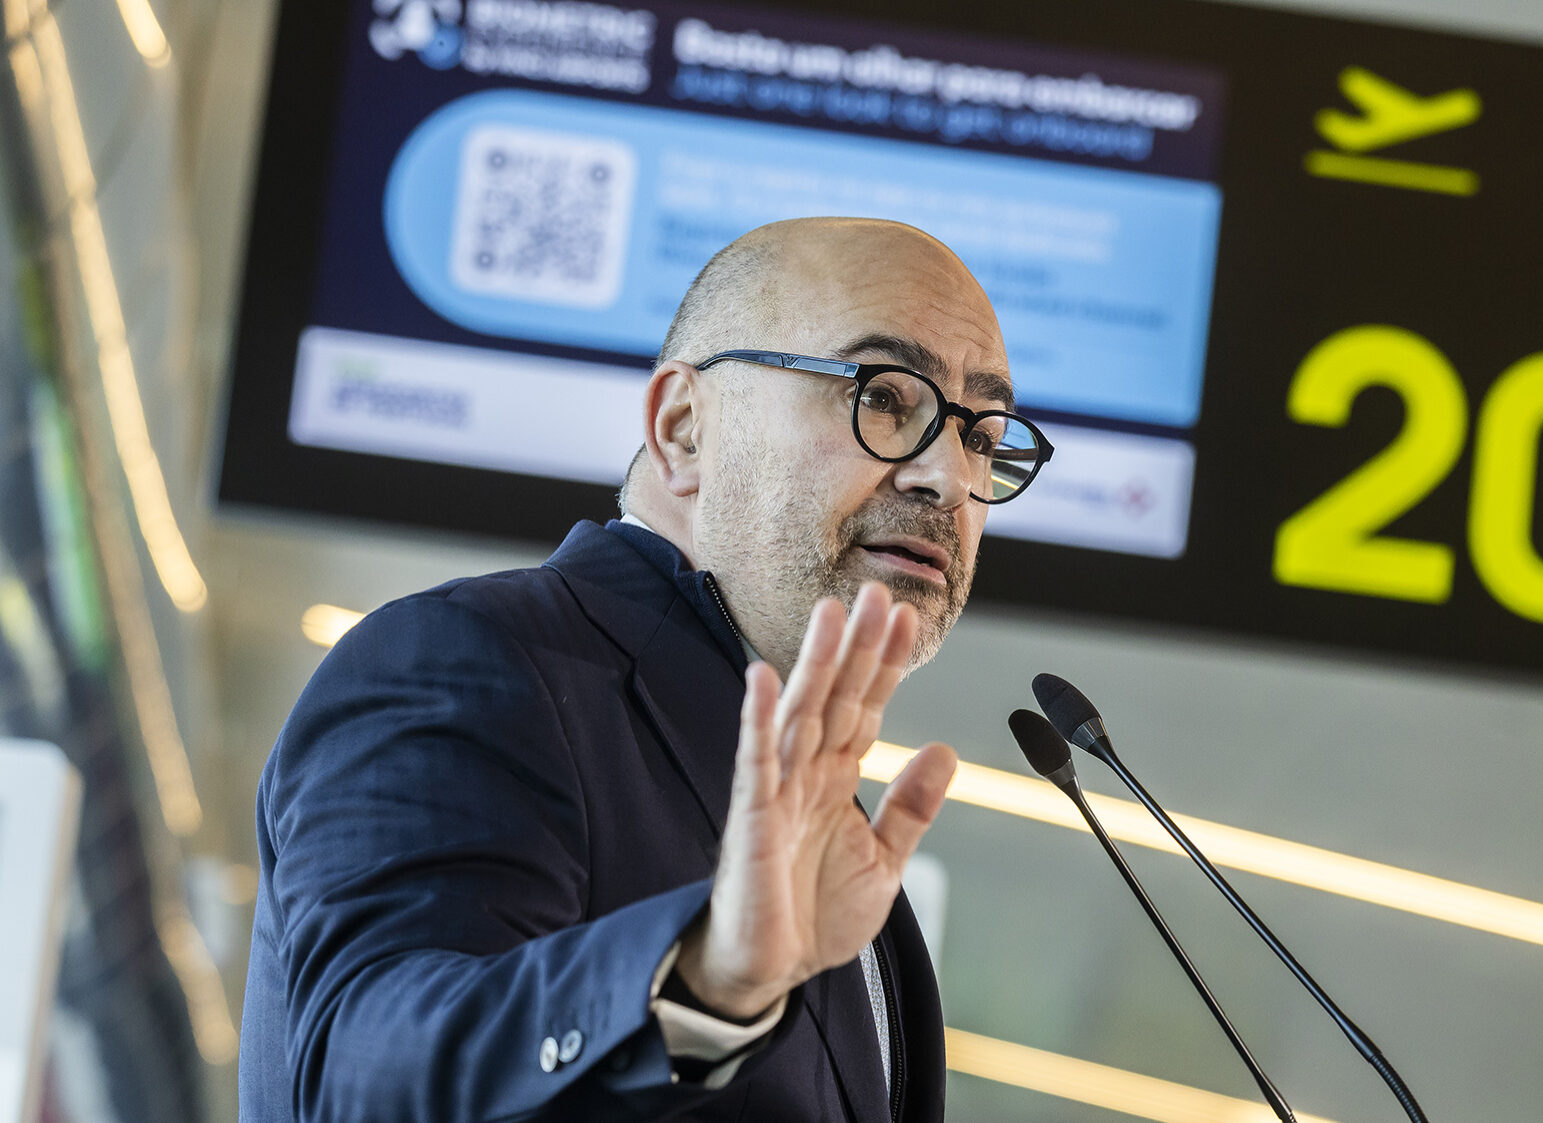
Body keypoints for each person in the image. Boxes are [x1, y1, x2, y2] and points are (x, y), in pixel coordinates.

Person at [238, 216, 1054, 1121]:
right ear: (684, 428)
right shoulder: (471, 660)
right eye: (885, 396)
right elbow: (361, 1079)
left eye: (984, 437)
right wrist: (708, 979)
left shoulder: (829, 839)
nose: (947, 476)